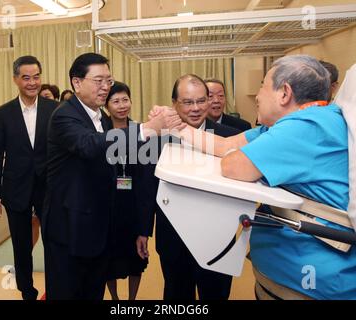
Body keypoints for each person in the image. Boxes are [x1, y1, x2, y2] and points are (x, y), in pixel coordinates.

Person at [167, 55, 354, 299]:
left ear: (284, 93)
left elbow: (233, 165)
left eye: (263, 85)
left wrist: (239, 155)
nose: (257, 95)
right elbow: (226, 145)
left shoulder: (305, 127)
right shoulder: (289, 124)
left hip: (314, 287)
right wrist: (176, 126)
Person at [42, 52, 183, 300]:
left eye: (109, 80)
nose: (106, 86)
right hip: (70, 228)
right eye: (99, 81)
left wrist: (156, 127)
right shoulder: (65, 115)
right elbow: (89, 145)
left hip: (97, 228)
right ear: (77, 82)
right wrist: (147, 129)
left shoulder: (102, 119)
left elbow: (120, 159)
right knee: (68, 292)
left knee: (93, 291)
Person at [137, 74, 240, 300]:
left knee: (216, 294)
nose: (196, 108)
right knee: (176, 294)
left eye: (201, 100)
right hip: (173, 236)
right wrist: (143, 230)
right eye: (188, 102)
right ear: (174, 103)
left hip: (217, 237)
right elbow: (147, 187)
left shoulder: (230, 138)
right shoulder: (156, 139)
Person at [0, 55, 58, 300]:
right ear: (16, 79)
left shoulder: (54, 109)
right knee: (21, 245)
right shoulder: (3, 113)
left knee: (54, 242)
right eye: (26, 77)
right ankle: (27, 291)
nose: (32, 82)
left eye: (36, 76)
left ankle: (56, 289)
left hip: (49, 189)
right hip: (15, 189)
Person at [103, 81, 148, 300]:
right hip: (107, 206)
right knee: (107, 260)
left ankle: (131, 301)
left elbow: (145, 179)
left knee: (135, 260)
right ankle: (115, 299)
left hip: (132, 205)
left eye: (125, 100)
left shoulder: (141, 132)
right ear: (106, 105)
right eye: (115, 101)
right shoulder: (99, 132)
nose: (121, 105)